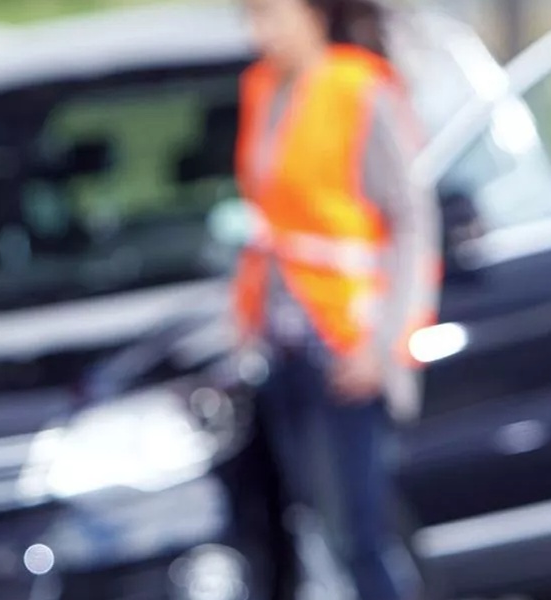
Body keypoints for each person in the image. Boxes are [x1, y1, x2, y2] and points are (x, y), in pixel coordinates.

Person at [231, 0, 439, 599]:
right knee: (314, 531)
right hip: (281, 344)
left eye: (269, 14)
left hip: (346, 345)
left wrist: (385, 346)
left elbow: (410, 224)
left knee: (361, 534)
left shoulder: (359, 88)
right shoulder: (261, 88)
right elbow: (268, 222)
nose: (258, 31)